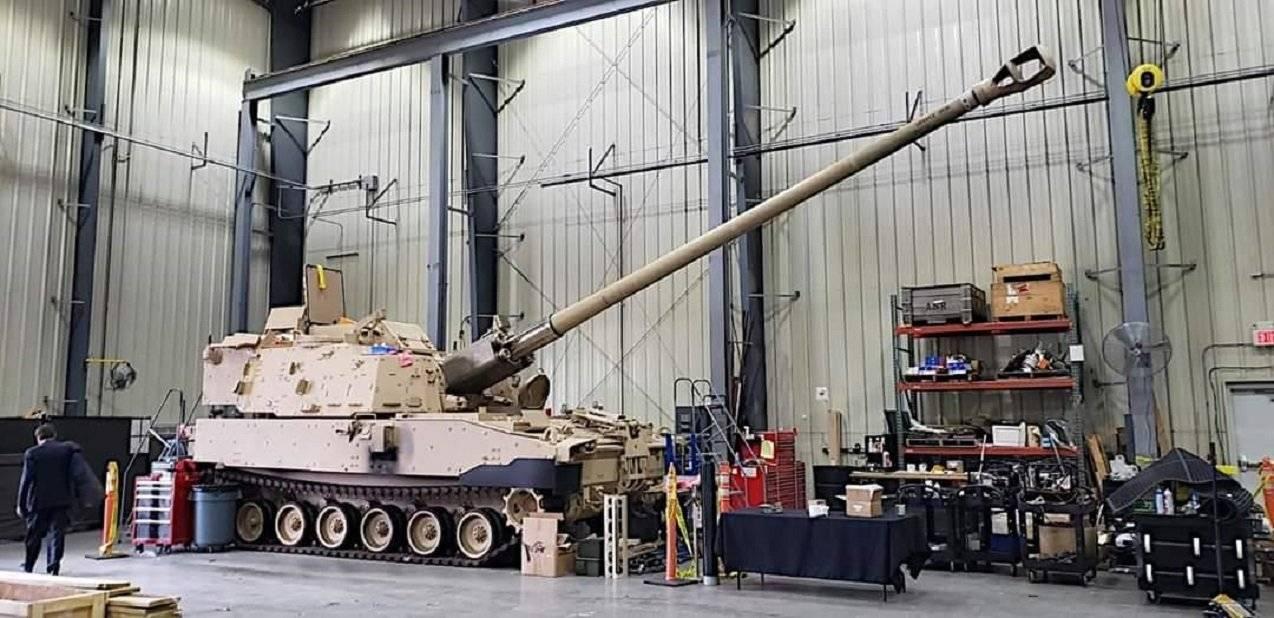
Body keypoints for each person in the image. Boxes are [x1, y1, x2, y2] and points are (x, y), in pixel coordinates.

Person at [16, 423, 96, 575]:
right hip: (61, 500)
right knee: (57, 534)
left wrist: (21, 504)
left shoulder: (32, 453)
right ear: (54, 436)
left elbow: (26, 481)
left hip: (38, 501)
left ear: (38, 438)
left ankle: (29, 565)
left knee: (34, 535)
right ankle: (53, 566)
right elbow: (78, 473)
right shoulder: (67, 450)